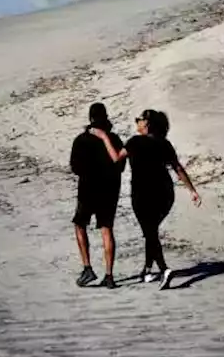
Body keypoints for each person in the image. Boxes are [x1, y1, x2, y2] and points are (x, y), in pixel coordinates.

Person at [91, 109, 201, 289]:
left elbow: (117, 159)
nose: (136, 122)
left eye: (139, 120)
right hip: (165, 193)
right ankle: (147, 270)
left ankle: (164, 270)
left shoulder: (134, 142)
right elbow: (178, 168)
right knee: (151, 231)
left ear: (147, 123)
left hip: (143, 193)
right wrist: (192, 191)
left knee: (150, 232)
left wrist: (104, 138)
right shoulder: (164, 143)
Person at [70, 102, 125, 288]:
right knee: (107, 229)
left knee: (79, 225)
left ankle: (87, 267)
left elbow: (75, 168)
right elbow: (121, 166)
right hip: (110, 189)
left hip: (88, 189)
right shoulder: (114, 139)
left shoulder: (81, 140)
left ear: (90, 119)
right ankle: (109, 275)